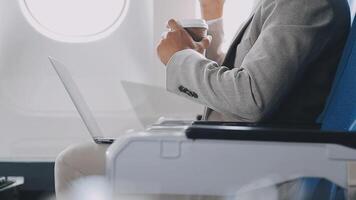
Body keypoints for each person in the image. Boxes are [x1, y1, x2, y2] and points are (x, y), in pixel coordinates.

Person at [55, 0, 351, 199]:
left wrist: (179, 58)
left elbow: (249, 97)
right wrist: (205, 39)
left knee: (74, 162)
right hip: (237, 148)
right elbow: (254, 78)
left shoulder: (305, 4)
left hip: (256, 164)